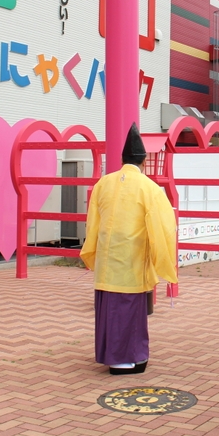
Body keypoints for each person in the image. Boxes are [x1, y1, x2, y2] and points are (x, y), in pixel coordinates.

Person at [80, 123, 178, 375]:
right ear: (143, 161)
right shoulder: (149, 188)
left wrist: (93, 252)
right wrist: (161, 260)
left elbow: (93, 223)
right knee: (129, 312)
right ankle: (127, 359)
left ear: (123, 159)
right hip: (132, 260)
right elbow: (163, 227)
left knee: (110, 310)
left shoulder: (103, 183)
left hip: (107, 261)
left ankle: (115, 356)